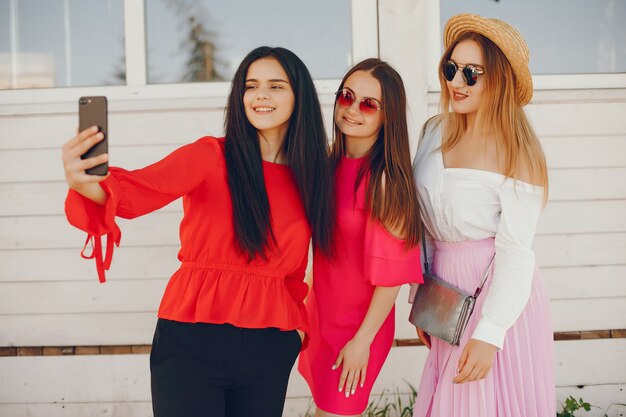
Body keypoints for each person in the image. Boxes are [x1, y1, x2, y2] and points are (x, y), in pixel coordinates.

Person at [61, 46, 335, 417]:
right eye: (250, 86)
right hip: (193, 339)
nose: (261, 96)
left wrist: (295, 332)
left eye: (276, 86)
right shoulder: (210, 155)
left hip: (269, 347)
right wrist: (84, 182)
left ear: (298, 96)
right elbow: (138, 192)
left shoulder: (311, 177)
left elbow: (295, 273)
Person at [410, 14, 555, 417]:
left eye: (471, 73)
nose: (456, 83)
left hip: (497, 299)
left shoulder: (517, 151)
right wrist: (420, 299)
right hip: (445, 296)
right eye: (450, 68)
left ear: (500, 79)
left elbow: (516, 252)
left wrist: (492, 334)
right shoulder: (433, 131)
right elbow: (420, 223)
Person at [298, 58, 423, 417]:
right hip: (320, 316)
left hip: (359, 328)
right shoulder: (327, 165)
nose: (353, 109)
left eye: (369, 104)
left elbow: (392, 278)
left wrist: (362, 341)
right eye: (347, 97)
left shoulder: (386, 181)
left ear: (388, 116)